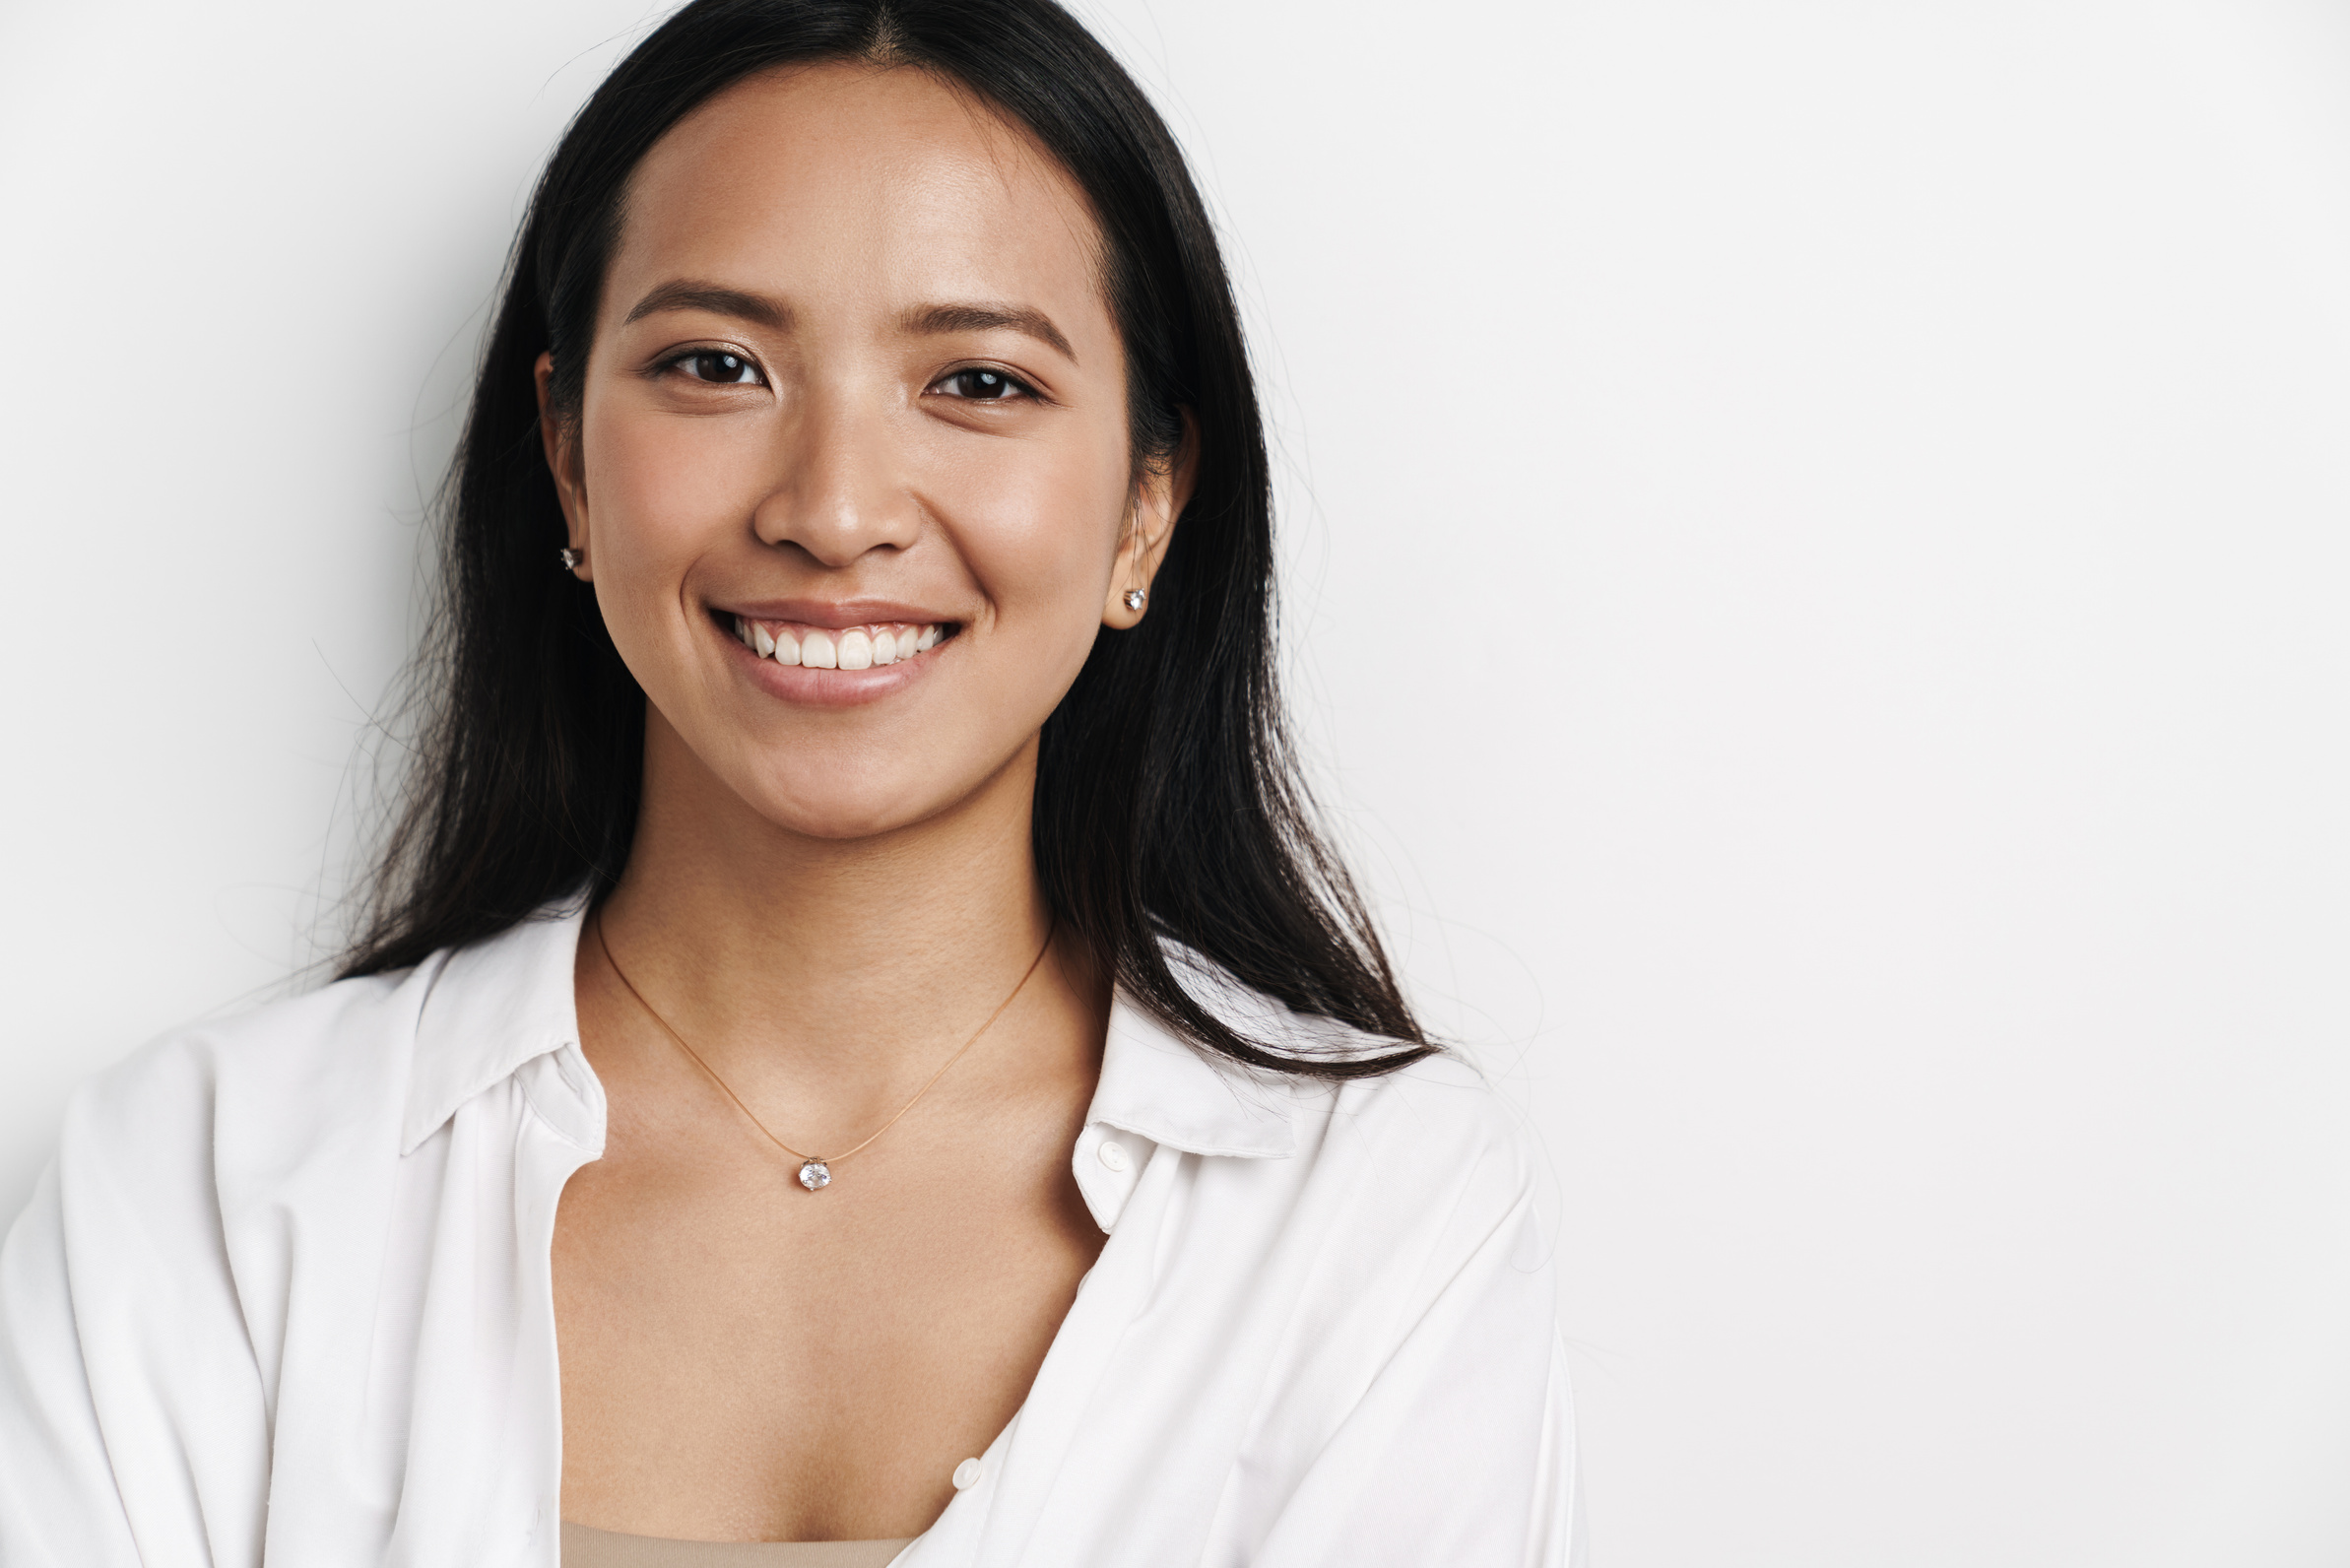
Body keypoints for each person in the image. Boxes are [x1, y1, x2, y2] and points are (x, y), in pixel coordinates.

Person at [0, 1, 1579, 1562]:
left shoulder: (1375, 1214)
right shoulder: (202, 1186)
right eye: (715, 363)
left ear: (1145, 509)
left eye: (977, 383)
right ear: (563, 455)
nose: (833, 511)